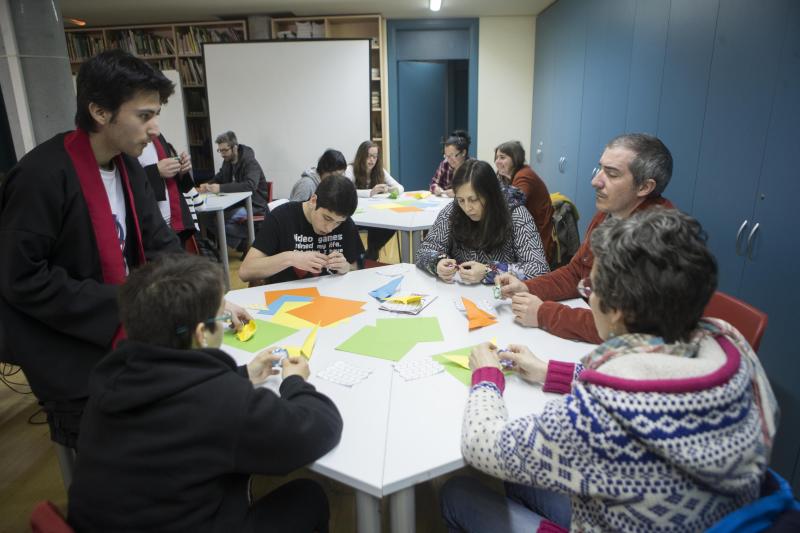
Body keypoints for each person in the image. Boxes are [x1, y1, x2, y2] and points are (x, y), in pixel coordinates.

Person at [441, 208, 779, 532]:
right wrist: (549, 371)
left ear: (616, 310)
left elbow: (482, 445)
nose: (588, 297)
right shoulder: (729, 343)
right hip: (700, 515)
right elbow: (652, 379)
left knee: (458, 494)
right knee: (518, 480)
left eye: (591, 289)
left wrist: (486, 377)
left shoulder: (602, 412)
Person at [68, 254, 342, 532]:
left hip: (100, 523)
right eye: (221, 318)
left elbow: (173, 389)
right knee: (309, 496)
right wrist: (295, 383)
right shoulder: (221, 401)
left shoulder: (110, 375)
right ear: (202, 334)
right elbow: (318, 430)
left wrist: (243, 374)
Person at [0, 50, 187, 447]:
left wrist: (202, 293)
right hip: (70, 349)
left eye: (156, 114)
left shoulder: (126, 165)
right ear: (100, 112)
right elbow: (20, 278)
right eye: (144, 115)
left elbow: (159, 241)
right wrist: (129, 302)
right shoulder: (41, 175)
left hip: (124, 330)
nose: (155, 129)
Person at [497, 133, 674, 344]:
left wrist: (543, 313)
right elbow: (576, 273)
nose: (595, 181)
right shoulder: (611, 211)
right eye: (600, 168)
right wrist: (527, 287)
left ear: (644, 187)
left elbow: (622, 327)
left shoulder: (658, 238)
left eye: (612, 174)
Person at [416, 160, 549, 285]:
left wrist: (489, 271)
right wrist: (437, 263)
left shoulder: (516, 215)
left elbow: (539, 269)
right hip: (459, 294)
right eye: (461, 200)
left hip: (504, 299)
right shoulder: (453, 211)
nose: (467, 208)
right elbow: (425, 249)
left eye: (473, 199)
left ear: (490, 194)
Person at [240, 175, 363, 284]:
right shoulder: (281, 217)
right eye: (327, 218)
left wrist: (346, 267)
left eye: (338, 223)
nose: (330, 228)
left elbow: (357, 268)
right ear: (313, 201)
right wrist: (291, 258)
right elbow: (245, 271)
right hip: (286, 299)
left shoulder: (346, 224)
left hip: (332, 299)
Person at [199, 131, 270, 253]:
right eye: (220, 151)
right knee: (205, 216)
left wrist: (220, 188)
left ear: (235, 147)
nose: (222, 154)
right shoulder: (227, 161)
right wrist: (208, 185)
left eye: (225, 150)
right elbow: (220, 176)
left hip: (254, 205)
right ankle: (241, 243)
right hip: (236, 203)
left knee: (219, 220)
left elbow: (250, 185)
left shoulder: (249, 161)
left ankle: (254, 237)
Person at [494, 141, 556, 266]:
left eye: (502, 157)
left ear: (515, 158)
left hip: (537, 236)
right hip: (525, 228)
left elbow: (512, 203)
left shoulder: (524, 176)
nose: (497, 162)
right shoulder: (511, 174)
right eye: (496, 158)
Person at [344, 140, 404, 261]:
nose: (372, 160)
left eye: (375, 157)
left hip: (375, 213)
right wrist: (371, 192)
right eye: (368, 156)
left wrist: (391, 190)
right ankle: (370, 255)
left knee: (392, 224)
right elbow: (346, 191)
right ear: (361, 156)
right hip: (357, 215)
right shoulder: (350, 169)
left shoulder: (379, 170)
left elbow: (400, 187)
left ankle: (371, 253)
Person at [138, 132, 197, 244]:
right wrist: (156, 171)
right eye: (146, 115)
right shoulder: (127, 141)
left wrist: (181, 169)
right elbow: (128, 180)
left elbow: (172, 181)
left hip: (173, 224)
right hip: (150, 229)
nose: (155, 126)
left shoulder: (158, 137)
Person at [430, 130, 472, 197]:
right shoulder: (445, 164)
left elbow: (476, 191)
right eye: (447, 156)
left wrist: (457, 193)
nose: (449, 160)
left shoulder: (473, 167)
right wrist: (436, 188)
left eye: (452, 155)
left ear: (463, 152)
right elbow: (433, 184)